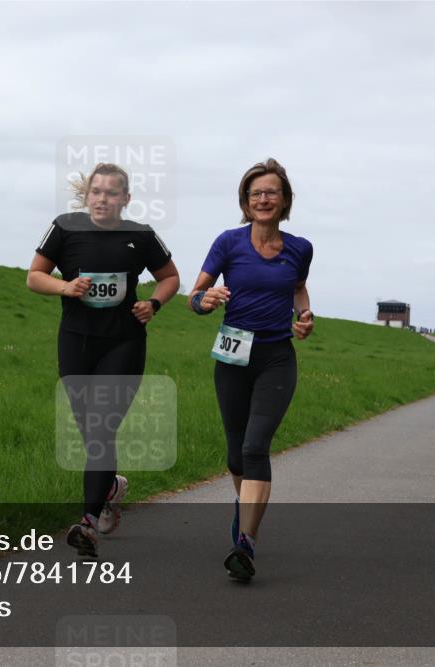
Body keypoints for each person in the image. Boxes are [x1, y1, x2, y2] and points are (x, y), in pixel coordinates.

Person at [27, 163, 179, 557]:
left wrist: (153, 303)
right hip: (76, 342)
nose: (102, 198)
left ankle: (88, 523)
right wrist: (66, 285)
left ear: (125, 199)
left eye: (112, 193)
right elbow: (34, 276)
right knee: (88, 429)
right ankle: (110, 486)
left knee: (100, 428)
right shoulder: (64, 228)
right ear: (87, 195)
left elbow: (170, 277)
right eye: (96, 191)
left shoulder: (141, 236)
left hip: (123, 343)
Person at [187, 158, 313, 580]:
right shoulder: (228, 242)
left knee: (256, 448)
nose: (263, 199)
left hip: (276, 357)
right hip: (232, 356)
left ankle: (246, 543)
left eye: (271, 192)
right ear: (245, 201)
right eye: (255, 193)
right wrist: (203, 302)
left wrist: (305, 315)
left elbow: (297, 286)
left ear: (284, 201)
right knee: (235, 454)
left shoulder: (300, 248)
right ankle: (246, 513)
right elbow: (197, 293)